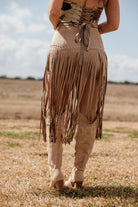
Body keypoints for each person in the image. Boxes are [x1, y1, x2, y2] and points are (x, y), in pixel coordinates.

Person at [41, 0, 120, 191]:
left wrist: (61, 28)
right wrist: (93, 31)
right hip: (94, 46)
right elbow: (113, 24)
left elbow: (53, 12)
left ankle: (56, 171)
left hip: (64, 41)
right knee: (89, 112)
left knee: (55, 108)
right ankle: (78, 173)